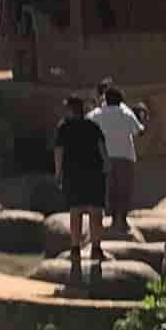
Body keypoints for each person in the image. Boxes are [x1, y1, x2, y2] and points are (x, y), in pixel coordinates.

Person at [55, 93, 110, 273]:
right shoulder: (92, 126)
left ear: (71, 109)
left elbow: (59, 151)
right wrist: (107, 167)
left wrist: (58, 172)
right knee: (96, 212)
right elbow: (102, 149)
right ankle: (96, 248)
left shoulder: (64, 127)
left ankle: (75, 249)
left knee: (75, 211)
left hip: (73, 174)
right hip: (94, 172)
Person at [93, 79, 150, 239]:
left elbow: (88, 123)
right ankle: (122, 220)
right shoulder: (126, 113)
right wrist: (144, 117)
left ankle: (111, 219)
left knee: (109, 188)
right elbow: (140, 131)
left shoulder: (98, 114)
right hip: (125, 155)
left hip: (105, 156)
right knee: (124, 188)